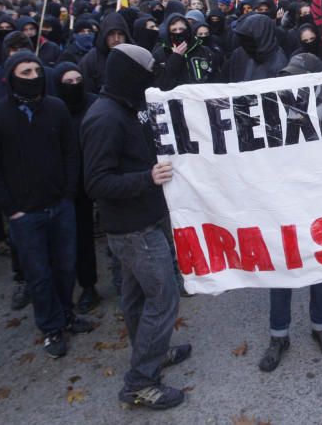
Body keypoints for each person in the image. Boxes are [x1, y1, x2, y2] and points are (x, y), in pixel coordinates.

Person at [81, 44, 189, 410]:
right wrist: (147, 178)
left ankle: (151, 353)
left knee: (136, 298)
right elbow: (96, 183)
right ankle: (140, 382)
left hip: (143, 220)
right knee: (164, 297)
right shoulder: (105, 118)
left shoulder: (127, 107)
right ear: (130, 77)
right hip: (133, 229)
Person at [0, 52, 91, 359]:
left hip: (60, 205)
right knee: (39, 274)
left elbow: (70, 152)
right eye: (25, 72)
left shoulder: (56, 108)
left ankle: (66, 313)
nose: (33, 77)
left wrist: (67, 192)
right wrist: (10, 208)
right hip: (25, 214)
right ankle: (51, 327)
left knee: (66, 267)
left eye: (37, 71)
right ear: (11, 77)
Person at [259, 51, 322, 372]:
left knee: (321, 267)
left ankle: (320, 326)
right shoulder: (273, 112)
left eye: (296, 76)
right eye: (287, 77)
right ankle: (278, 335)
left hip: (318, 202)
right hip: (282, 204)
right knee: (282, 269)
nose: (289, 83)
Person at [53, 63, 101, 314]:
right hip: (71, 182)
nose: (74, 86)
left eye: (78, 80)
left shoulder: (94, 103)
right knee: (81, 237)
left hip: (100, 174)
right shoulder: (53, 109)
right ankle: (88, 285)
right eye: (68, 82)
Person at [152, 15, 222, 90]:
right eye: (174, 30)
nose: (178, 32)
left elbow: (215, 78)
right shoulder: (161, 54)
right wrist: (175, 58)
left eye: (181, 29)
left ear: (188, 29)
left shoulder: (205, 51)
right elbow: (160, 84)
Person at [79, 12, 132, 94]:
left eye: (120, 34)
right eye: (111, 34)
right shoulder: (91, 59)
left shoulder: (133, 56)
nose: (116, 39)